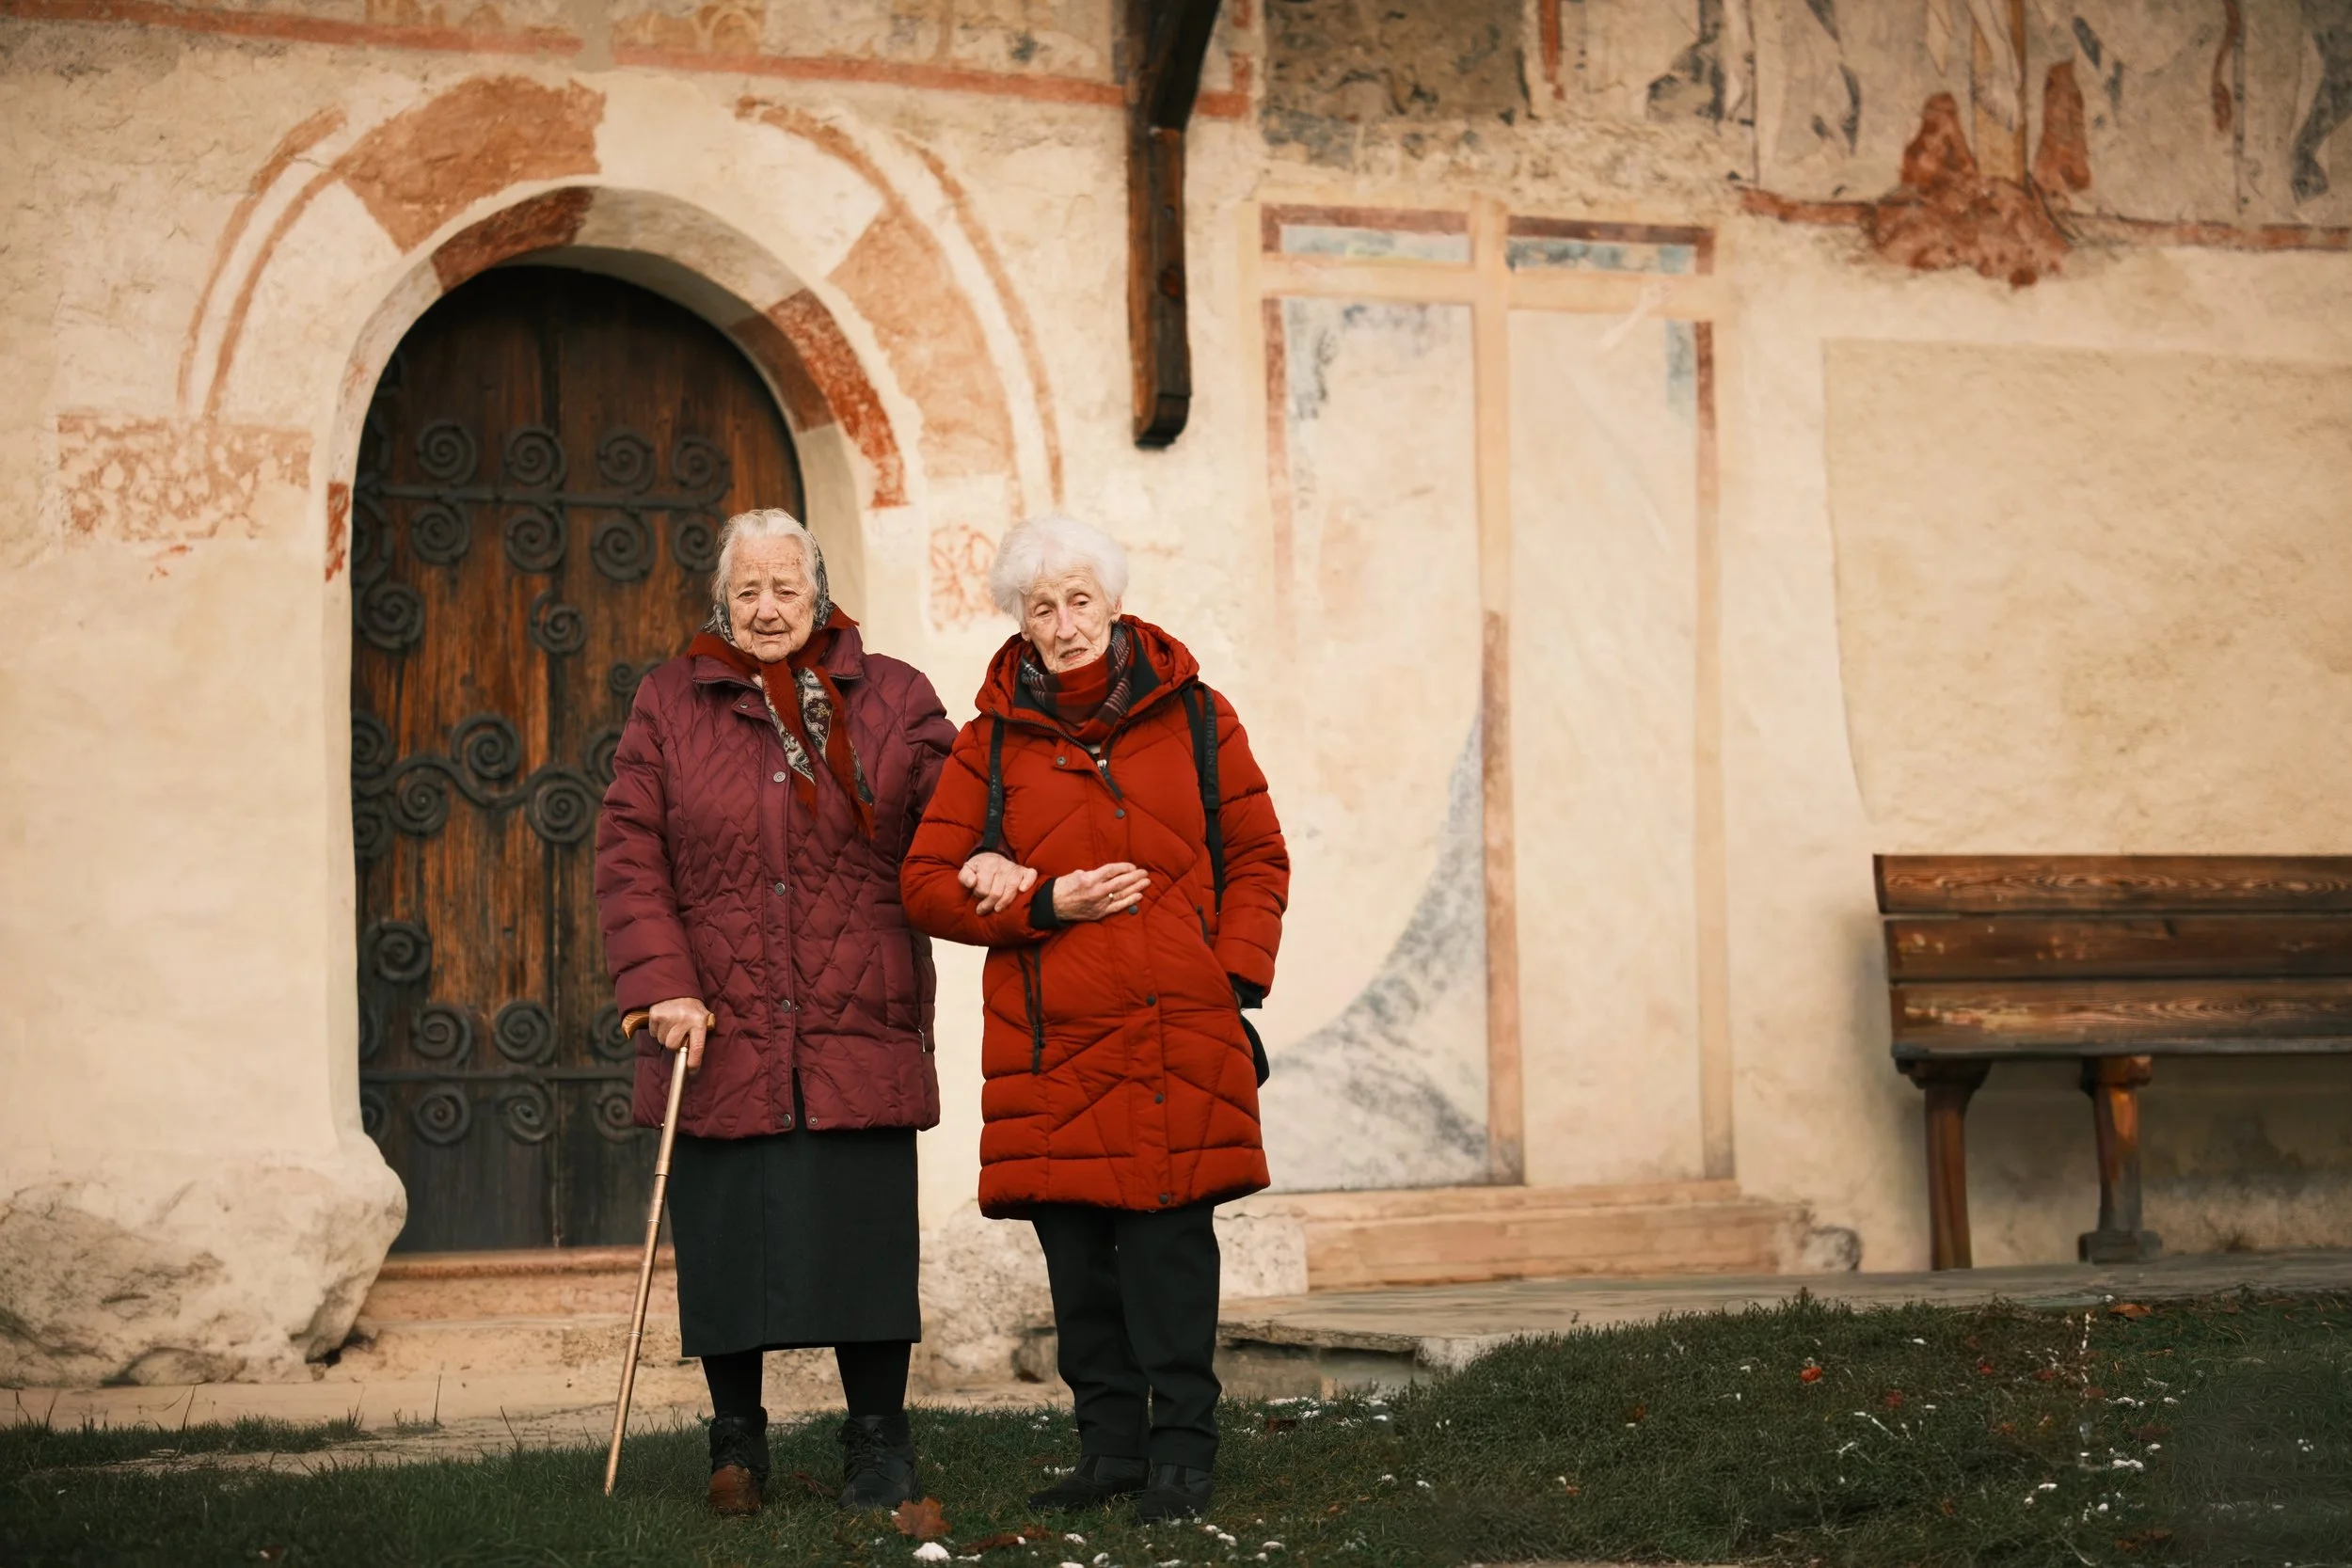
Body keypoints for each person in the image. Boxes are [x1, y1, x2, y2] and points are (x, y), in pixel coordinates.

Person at [901, 513, 1290, 1524]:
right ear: (1020, 623)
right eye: (1043, 607)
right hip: (1054, 1046)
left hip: (1176, 1030)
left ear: (1113, 605)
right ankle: (1109, 1451)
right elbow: (925, 884)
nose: (1065, 623)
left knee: (1169, 1257)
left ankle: (1184, 1455)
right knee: (1079, 1268)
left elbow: (1257, 855)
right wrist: (1040, 900)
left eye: (1080, 600)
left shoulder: (1199, 715)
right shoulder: (988, 742)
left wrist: (1230, 977)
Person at [595, 508, 956, 1517]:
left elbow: (958, 812)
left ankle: (879, 1445)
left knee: (865, 1237)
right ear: (722, 597)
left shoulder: (892, 696)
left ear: (820, 592)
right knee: (727, 1239)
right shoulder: (671, 700)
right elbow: (630, 854)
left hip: (856, 1013)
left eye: (784, 589)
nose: (765, 607)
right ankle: (735, 1443)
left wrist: (999, 863)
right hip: (717, 1018)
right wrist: (662, 981)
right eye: (746, 589)